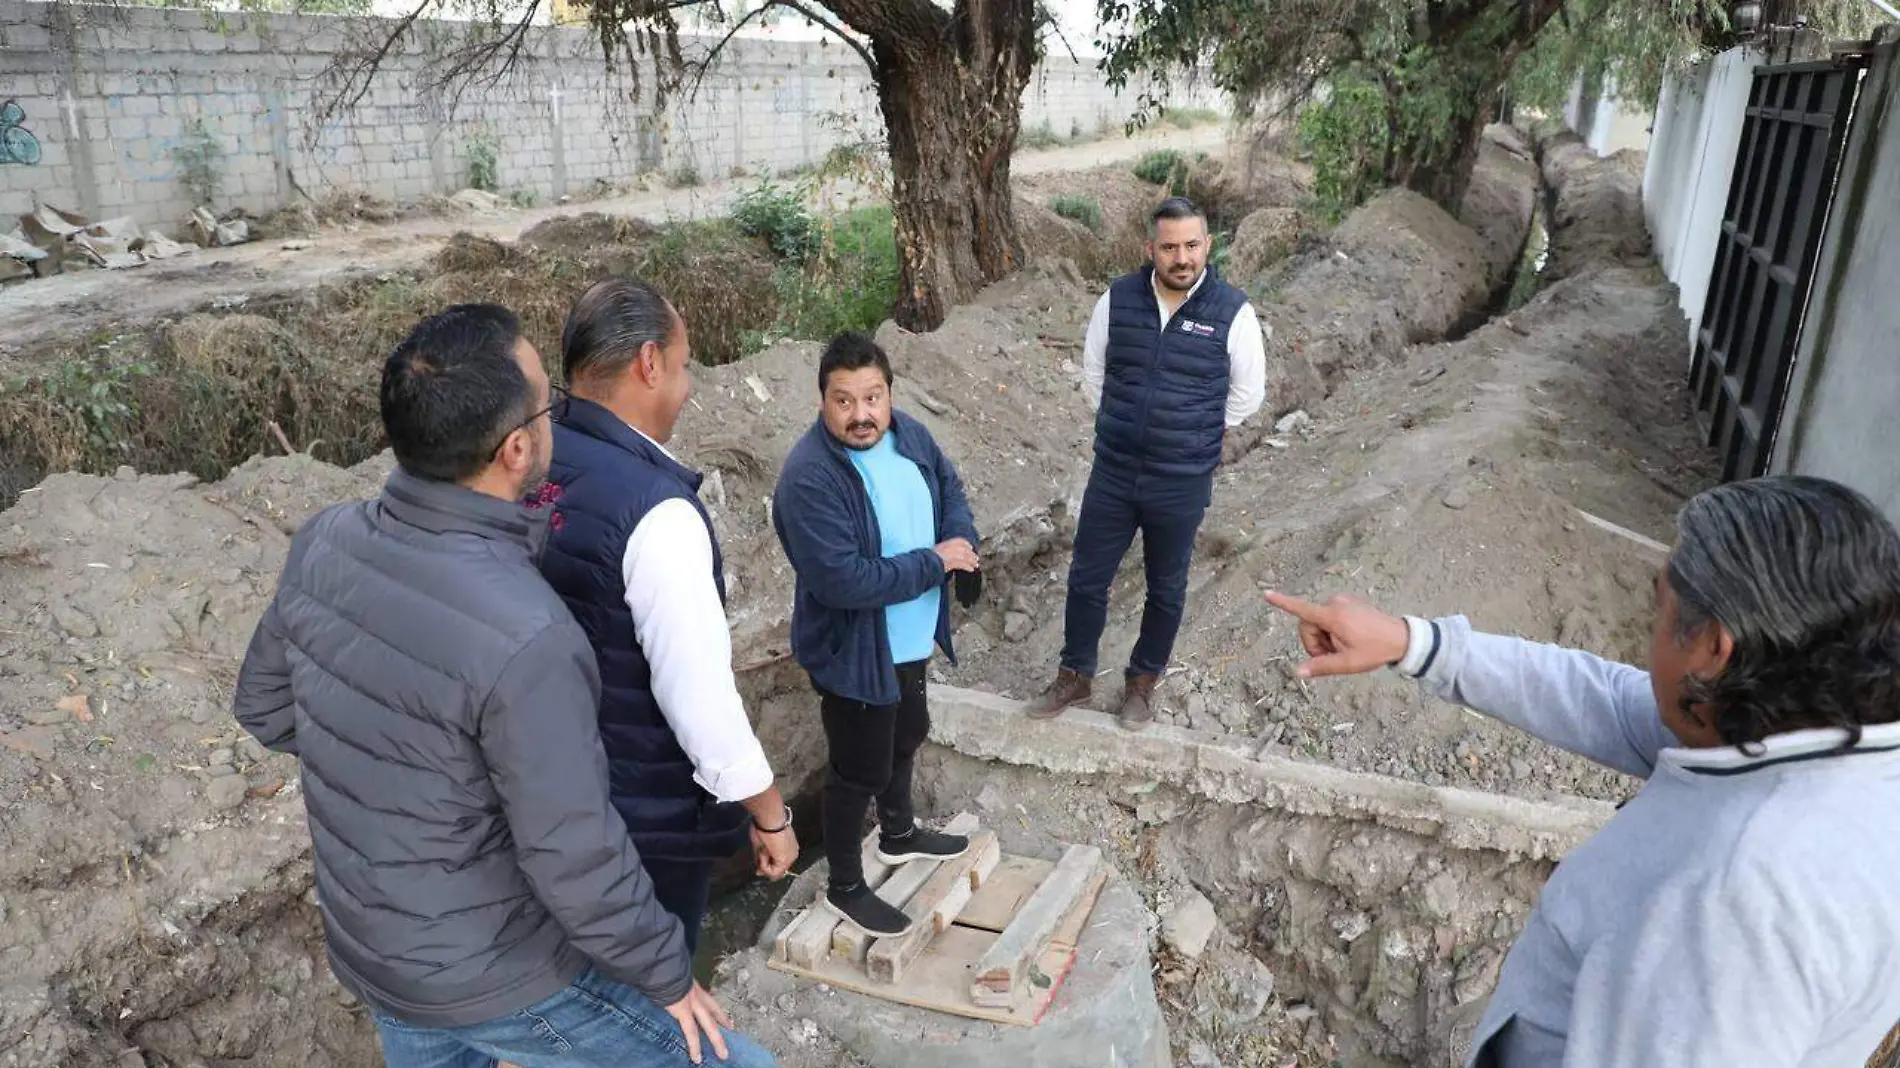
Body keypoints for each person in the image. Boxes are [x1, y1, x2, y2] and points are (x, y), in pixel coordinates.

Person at [232, 304, 774, 1068]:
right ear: (518, 448)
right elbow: (572, 856)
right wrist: (666, 976)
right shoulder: (529, 633)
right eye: (548, 403)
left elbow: (264, 706)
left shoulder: (327, 538)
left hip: (377, 951)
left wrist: (401, 778)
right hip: (502, 973)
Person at [1263, 475, 1900, 1068]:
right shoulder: (1817, 733)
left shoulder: (1732, 908)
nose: (1650, 633)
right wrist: (1416, 644)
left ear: (1714, 649)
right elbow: (1611, 702)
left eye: (1661, 610)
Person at [537, 278, 797, 957]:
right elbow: (698, 694)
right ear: (649, 364)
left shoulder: (529, 458)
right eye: (683, 368)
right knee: (649, 1001)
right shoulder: (657, 512)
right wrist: (769, 814)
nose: (685, 388)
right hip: (641, 824)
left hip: (544, 799)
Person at [771, 331, 981, 937]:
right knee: (857, 768)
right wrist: (936, 563)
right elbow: (843, 581)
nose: (862, 414)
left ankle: (898, 834)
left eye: (873, 397)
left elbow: (950, 490)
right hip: (855, 649)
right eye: (845, 401)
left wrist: (962, 544)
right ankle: (843, 885)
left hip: (909, 636)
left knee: (908, 734)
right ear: (822, 402)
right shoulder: (810, 478)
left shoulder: (908, 434)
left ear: (889, 394)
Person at [1030, 195, 1268, 730]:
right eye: (1169, 247)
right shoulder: (1117, 300)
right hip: (1114, 471)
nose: (1181, 257)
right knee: (1088, 578)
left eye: (1191, 245)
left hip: (1180, 481)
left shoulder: (1233, 312)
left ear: (1207, 245)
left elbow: (1247, 396)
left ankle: (1141, 684)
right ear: (1150, 249)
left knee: (1166, 587)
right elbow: (1094, 375)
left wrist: (1192, 433)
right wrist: (1126, 423)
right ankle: (1075, 676)